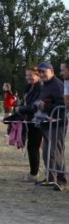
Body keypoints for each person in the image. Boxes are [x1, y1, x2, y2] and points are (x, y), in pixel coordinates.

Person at [35, 62, 67, 191]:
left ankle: (62, 180)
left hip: (57, 124)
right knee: (47, 152)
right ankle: (50, 178)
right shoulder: (45, 85)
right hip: (46, 123)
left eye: (44, 71)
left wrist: (45, 106)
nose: (42, 74)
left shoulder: (58, 85)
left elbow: (63, 105)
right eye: (40, 72)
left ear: (52, 71)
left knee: (56, 152)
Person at [14, 66, 42, 182]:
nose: (28, 77)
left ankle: (34, 174)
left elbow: (34, 106)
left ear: (38, 75)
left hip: (38, 121)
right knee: (32, 147)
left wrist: (21, 109)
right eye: (26, 75)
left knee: (33, 147)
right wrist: (19, 107)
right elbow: (24, 101)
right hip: (29, 120)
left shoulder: (40, 87)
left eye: (30, 75)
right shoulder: (28, 86)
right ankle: (34, 173)